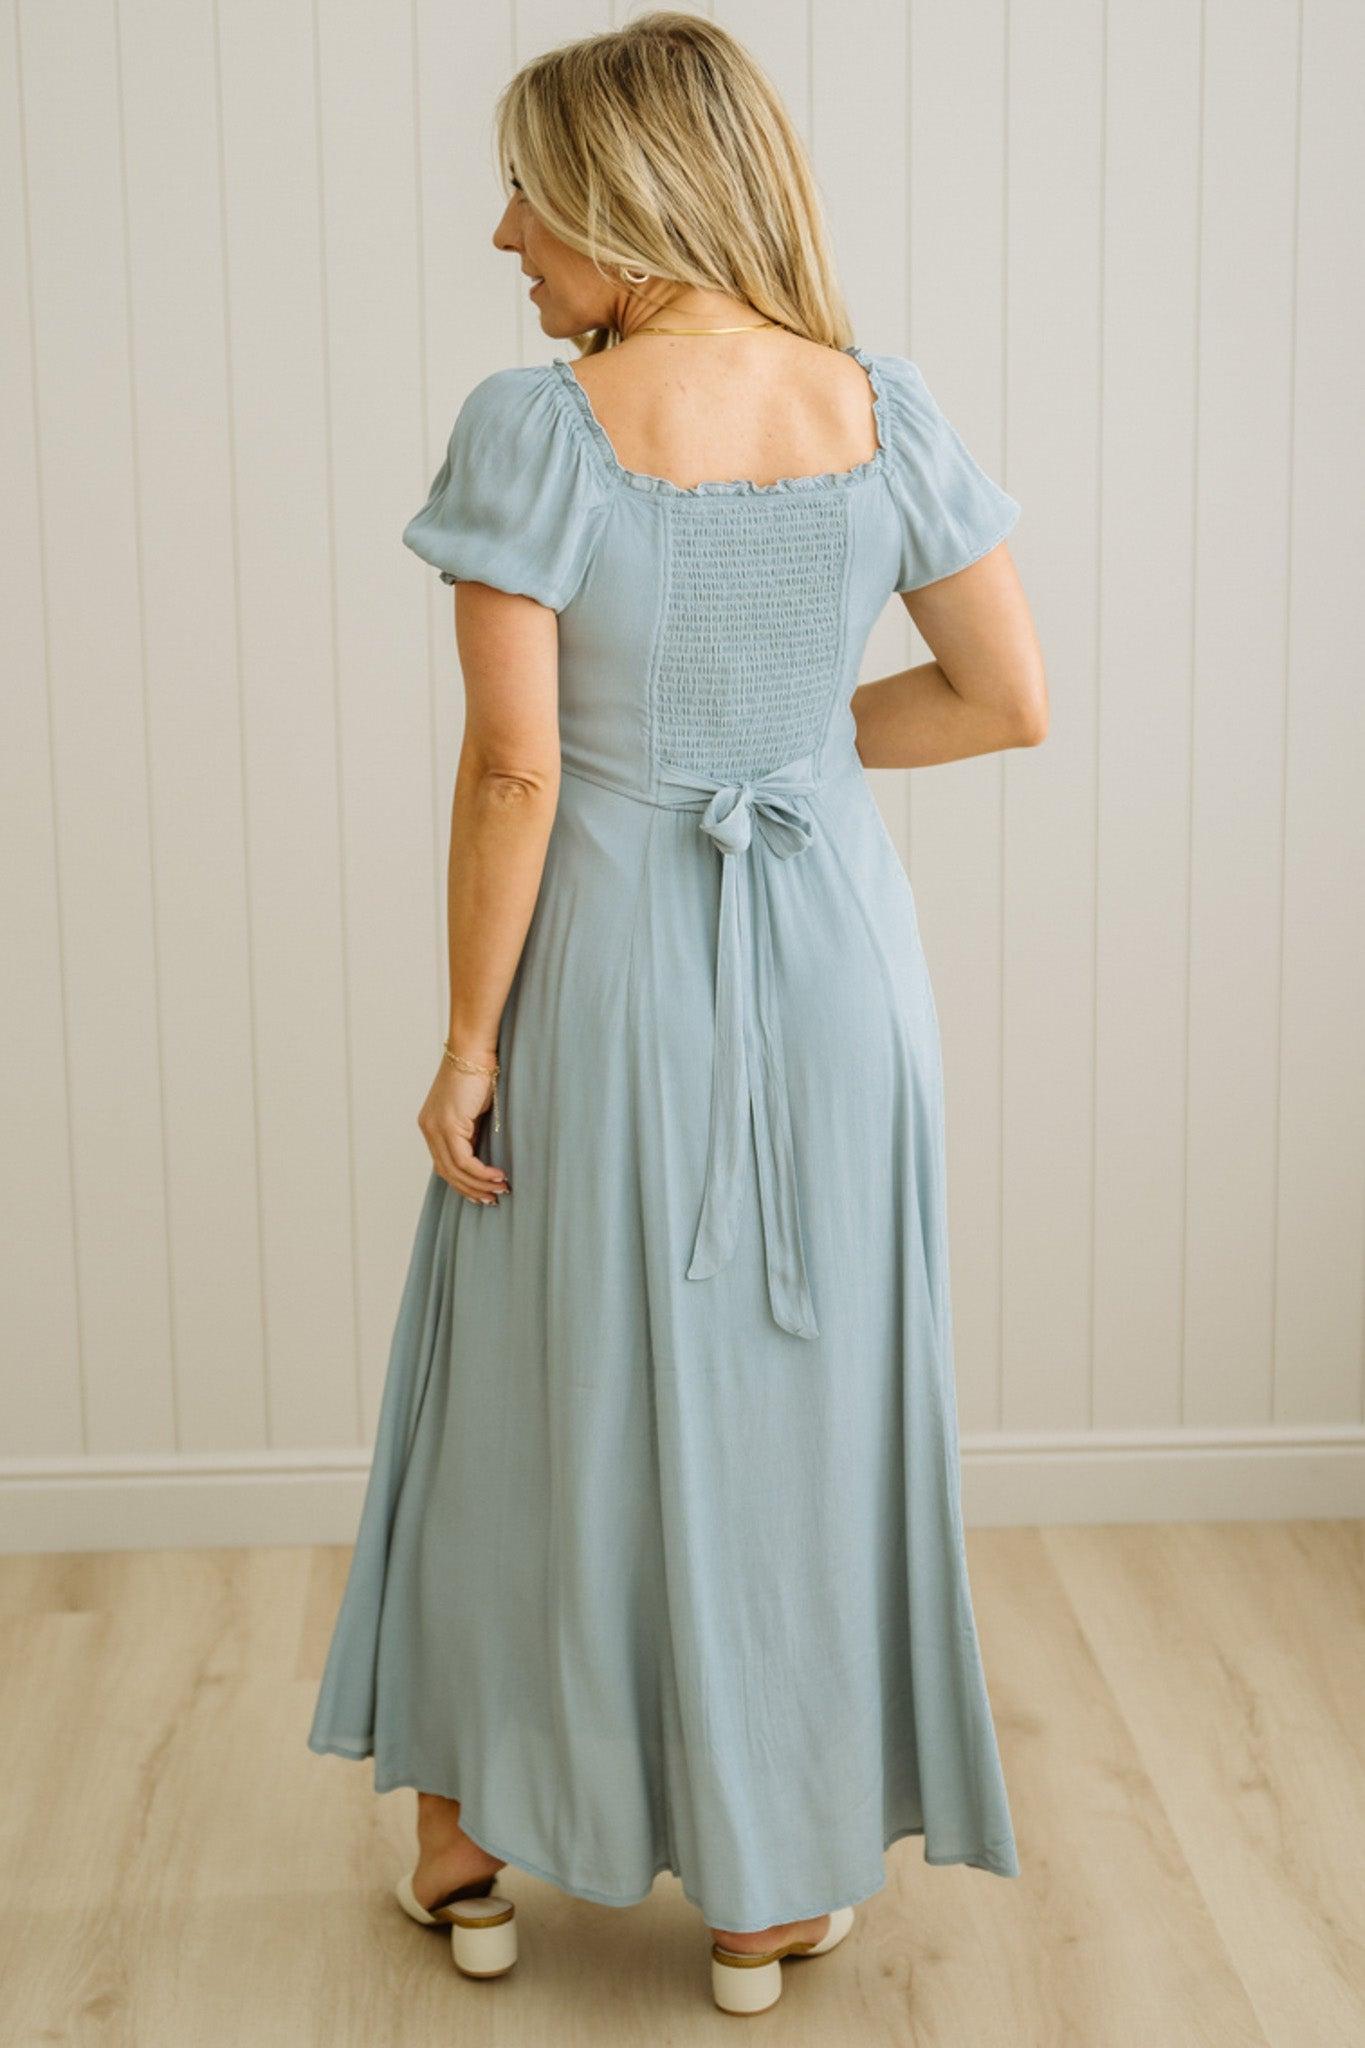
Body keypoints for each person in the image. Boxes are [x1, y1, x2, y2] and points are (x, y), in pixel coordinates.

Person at [307, 9, 1046, 2017]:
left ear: (624, 202)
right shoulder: (879, 405)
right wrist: (787, 741)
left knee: (521, 1388)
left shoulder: (537, 427)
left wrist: (469, 1040)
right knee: (798, 1407)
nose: (499, 236)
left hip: (615, 976)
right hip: (835, 985)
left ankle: (461, 1849)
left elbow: (517, 773)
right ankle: (753, 1891)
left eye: (528, 192)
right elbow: (1002, 696)